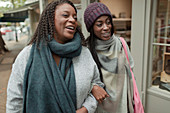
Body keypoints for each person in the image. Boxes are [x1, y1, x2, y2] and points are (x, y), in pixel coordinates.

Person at [6, 1, 104, 113]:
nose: (72, 20)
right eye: (66, 15)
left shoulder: (84, 53)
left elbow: (97, 84)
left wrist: (86, 108)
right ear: (51, 20)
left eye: (75, 17)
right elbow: (14, 100)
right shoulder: (27, 55)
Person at [84, 2, 134, 113]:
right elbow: (82, 80)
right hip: (99, 106)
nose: (106, 27)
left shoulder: (121, 44)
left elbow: (131, 70)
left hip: (122, 104)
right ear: (91, 27)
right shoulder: (86, 50)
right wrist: (93, 87)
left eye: (108, 22)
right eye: (99, 24)